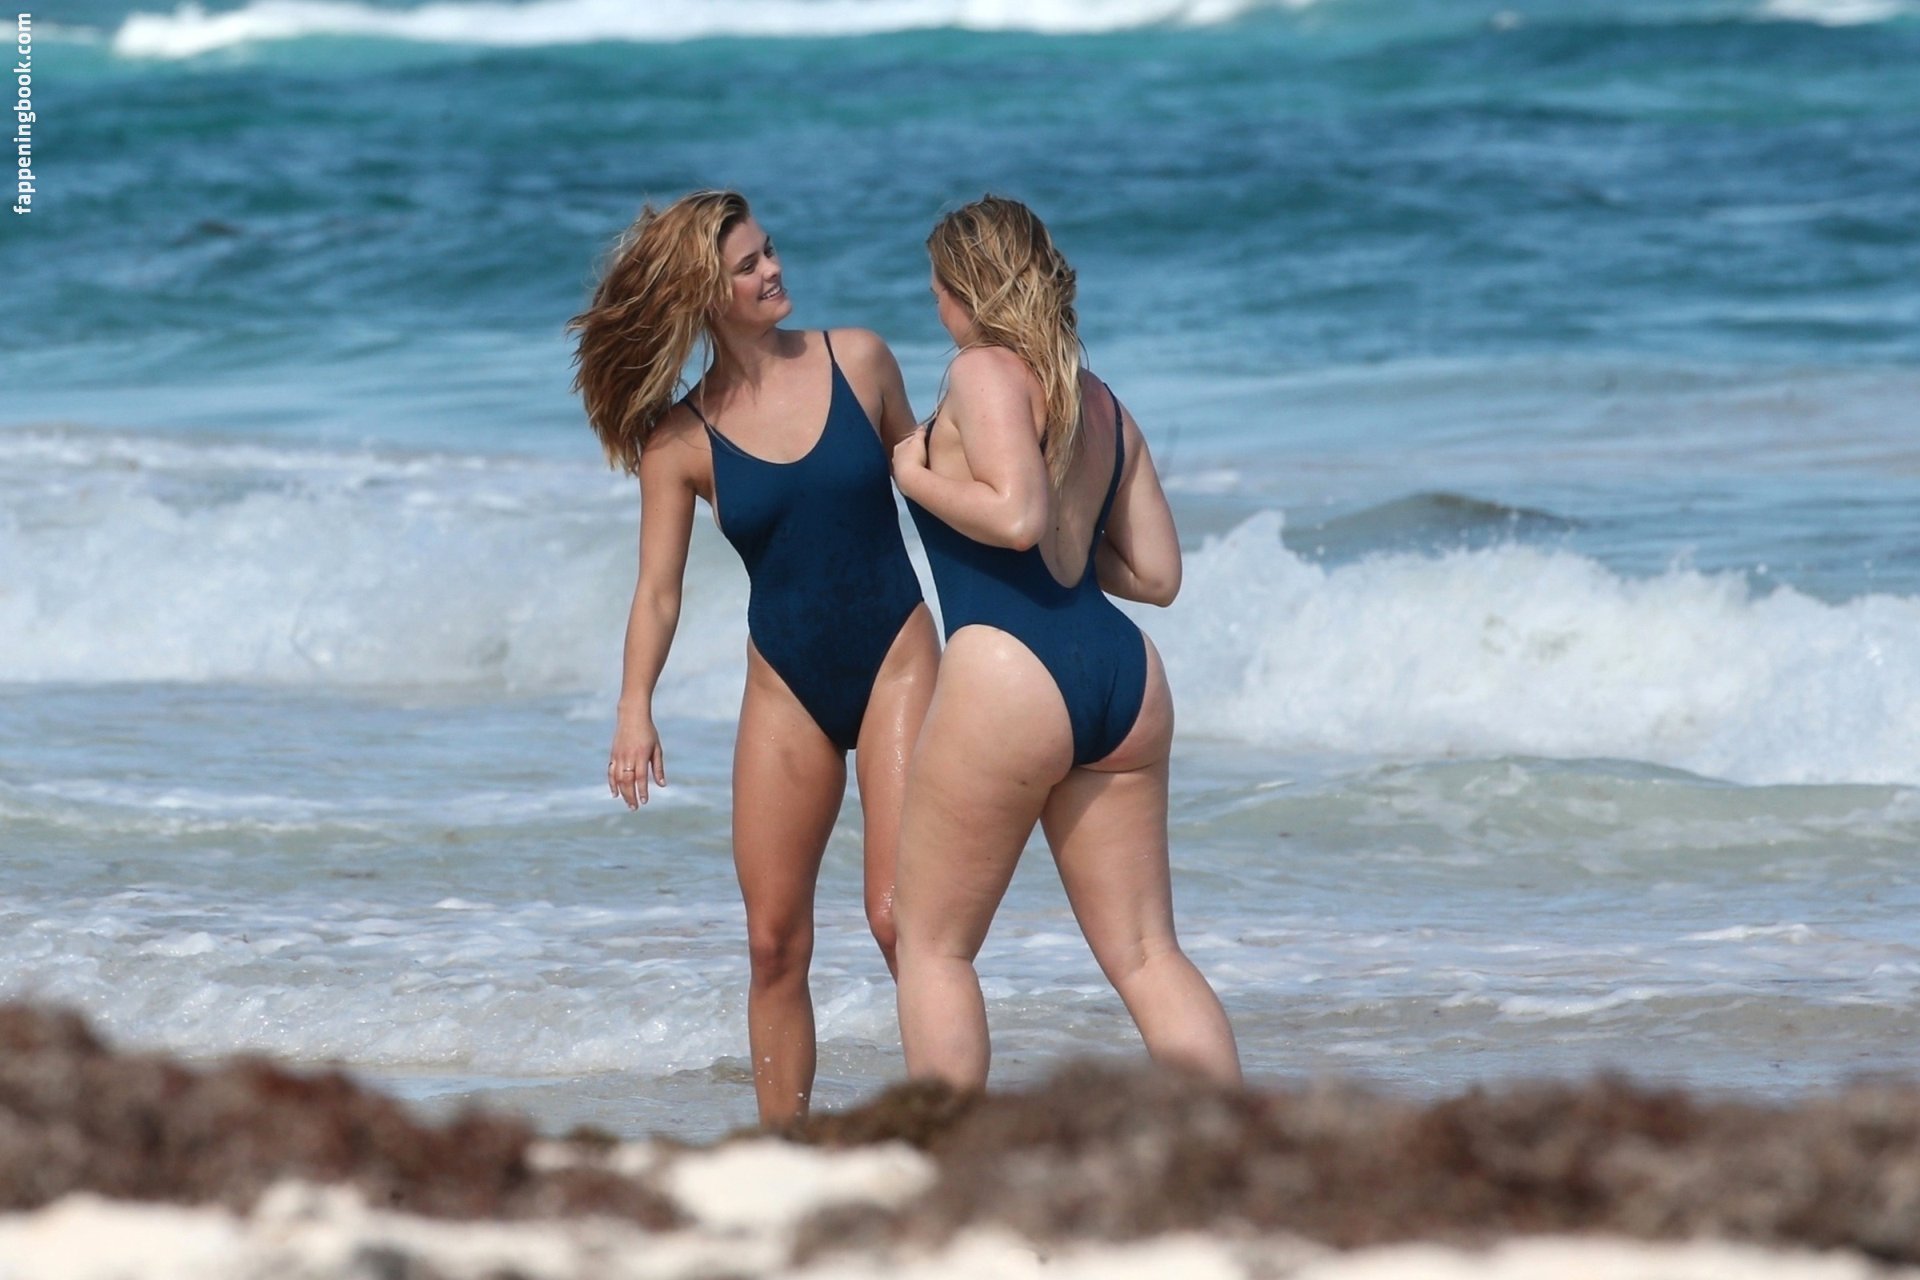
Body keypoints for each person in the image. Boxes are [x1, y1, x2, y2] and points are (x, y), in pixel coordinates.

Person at [568, 190, 939, 1124]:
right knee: (774, 944)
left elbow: (938, 489)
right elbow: (658, 591)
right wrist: (634, 708)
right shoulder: (679, 440)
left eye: (768, 250)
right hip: (786, 686)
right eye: (748, 265)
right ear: (705, 294)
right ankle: (785, 1150)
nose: (772, 269)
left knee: (900, 921)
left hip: (897, 661)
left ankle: (952, 1127)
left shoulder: (858, 360)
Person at [888, 195, 1241, 1090]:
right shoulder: (1100, 400)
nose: (934, 304)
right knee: (1148, 955)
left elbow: (1015, 517)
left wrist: (911, 474)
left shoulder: (980, 372)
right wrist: (1071, 541)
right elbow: (1157, 575)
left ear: (965, 289)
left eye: (937, 287)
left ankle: (946, 1162)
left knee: (932, 946)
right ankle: (1235, 1147)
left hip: (1009, 669)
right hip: (1121, 675)